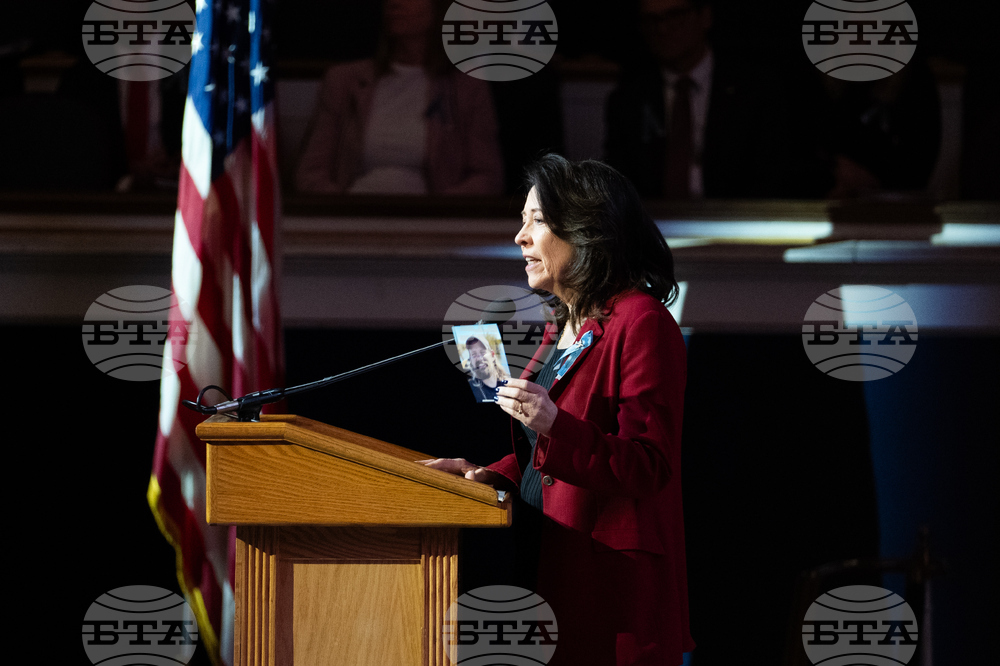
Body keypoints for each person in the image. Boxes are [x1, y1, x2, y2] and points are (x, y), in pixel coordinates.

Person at [421, 154, 694, 665]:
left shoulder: (643, 322)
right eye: (522, 221)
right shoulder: (562, 325)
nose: (520, 238)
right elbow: (544, 456)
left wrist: (553, 422)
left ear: (587, 230)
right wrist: (494, 475)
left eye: (537, 221)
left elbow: (649, 465)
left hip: (610, 590)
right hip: (546, 563)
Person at [605, 0, 825, 199]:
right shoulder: (629, 99)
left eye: (676, 15)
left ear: (704, 17)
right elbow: (618, 181)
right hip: (656, 224)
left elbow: (774, 173)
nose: (662, 29)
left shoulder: (755, 89)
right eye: (651, 20)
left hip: (738, 221)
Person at [294, 0, 503, 195]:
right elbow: (311, 173)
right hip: (352, 217)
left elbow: (487, 176)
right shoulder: (345, 82)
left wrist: (437, 214)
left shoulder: (465, 88)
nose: (394, 3)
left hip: (432, 225)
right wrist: (343, 212)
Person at [466, 336, 501, 403]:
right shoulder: (472, 389)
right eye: (474, 354)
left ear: (492, 355)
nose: (479, 358)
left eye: (482, 352)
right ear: (470, 360)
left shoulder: (508, 382)